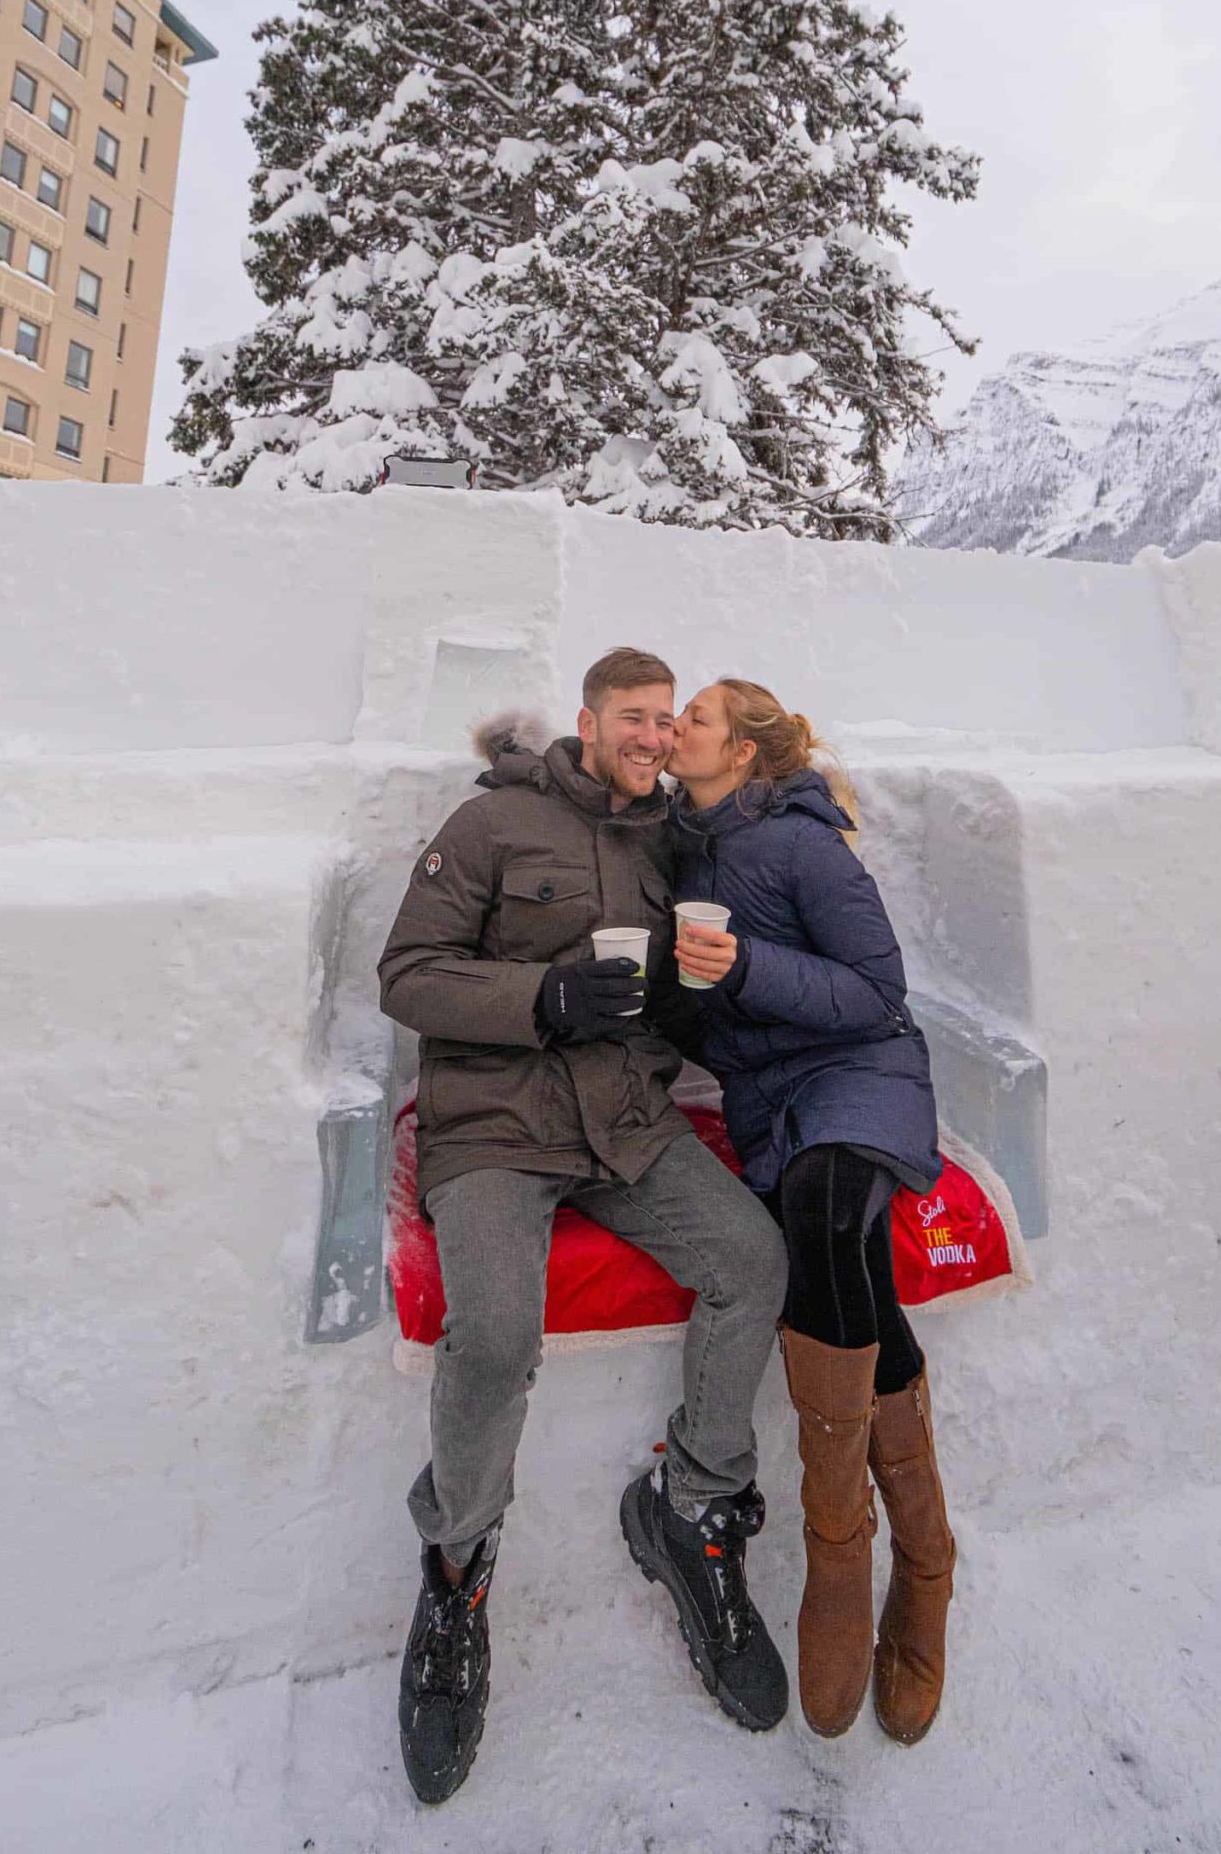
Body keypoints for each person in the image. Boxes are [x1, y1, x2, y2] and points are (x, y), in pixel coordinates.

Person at [378, 648, 790, 1805]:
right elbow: (406, 973)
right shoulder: (496, 821)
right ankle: (457, 1570)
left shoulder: (673, 840)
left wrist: (688, 990)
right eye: (633, 717)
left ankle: (693, 1508)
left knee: (751, 1260)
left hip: (622, 1120)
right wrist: (539, 999)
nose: (654, 736)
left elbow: (676, 992)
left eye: (668, 720)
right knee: (497, 1330)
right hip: (497, 1127)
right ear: (588, 720)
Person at [666, 679, 956, 1747]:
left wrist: (744, 961)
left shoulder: (804, 846)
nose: (676, 732)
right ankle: (926, 1555)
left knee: (832, 1214)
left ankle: (848, 1551)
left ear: (740, 752)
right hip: (772, 1097)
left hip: (860, 1070)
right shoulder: (684, 853)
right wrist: (678, 994)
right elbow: (718, 1031)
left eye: (695, 718)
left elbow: (878, 992)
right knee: (835, 1244)